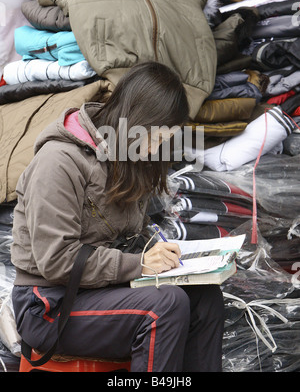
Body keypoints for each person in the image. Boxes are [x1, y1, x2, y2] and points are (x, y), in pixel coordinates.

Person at [11, 62, 225, 372]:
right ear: (137, 121)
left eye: (164, 142)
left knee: (204, 299)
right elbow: (57, 261)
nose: (156, 149)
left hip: (99, 292)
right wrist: (139, 264)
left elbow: (126, 234)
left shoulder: (126, 155)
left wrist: (158, 254)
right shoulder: (58, 162)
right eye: (156, 139)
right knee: (164, 307)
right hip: (48, 305)